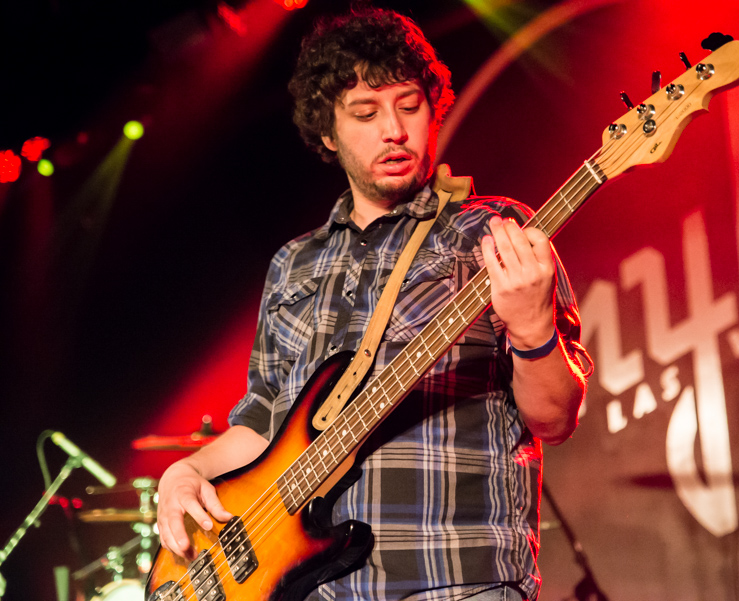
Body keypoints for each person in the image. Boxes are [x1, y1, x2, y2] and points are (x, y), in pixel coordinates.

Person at [156, 7, 591, 600]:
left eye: (409, 106)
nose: (394, 130)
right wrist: (186, 472)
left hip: (458, 582)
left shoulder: (494, 232)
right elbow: (261, 425)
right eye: (365, 113)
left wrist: (535, 330)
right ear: (327, 133)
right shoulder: (293, 263)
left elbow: (555, 420)